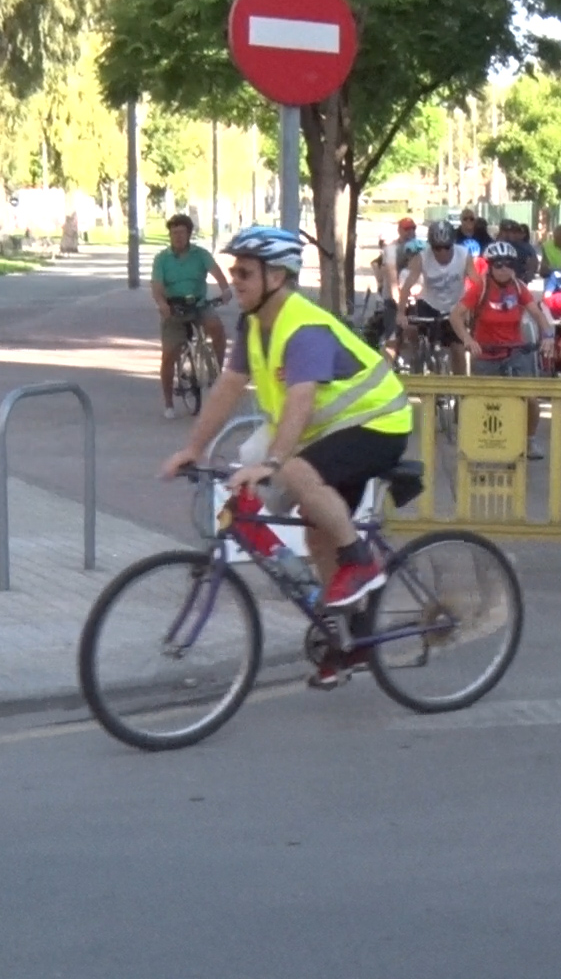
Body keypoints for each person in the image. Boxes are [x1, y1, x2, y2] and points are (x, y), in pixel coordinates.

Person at [159, 227, 411, 688]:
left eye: (244, 272)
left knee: (294, 474)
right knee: (316, 532)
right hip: (332, 429)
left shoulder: (304, 326)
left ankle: (359, 561)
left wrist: (273, 464)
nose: (234, 280)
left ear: (277, 276)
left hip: (379, 422)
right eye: (233, 271)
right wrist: (192, 449)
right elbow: (228, 387)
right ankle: (347, 641)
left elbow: (300, 400)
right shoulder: (253, 324)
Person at [452, 241, 558, 457]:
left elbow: (537, 314)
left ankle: (529, 441)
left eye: (509, 264)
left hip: (515, 350)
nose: (504, 269)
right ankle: (475, 444)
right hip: (486, 352)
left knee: (529, 398)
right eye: (498, 265)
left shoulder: (518, 287)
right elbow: (456, 316)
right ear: (490, 266)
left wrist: (547, 336)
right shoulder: (480, 288)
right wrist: (468, 340)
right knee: (480, 401)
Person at [151, 213, 232, 420]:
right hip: (174, 308)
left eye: (181, 233)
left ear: (189, 234)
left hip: (198, 304)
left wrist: (225, 290)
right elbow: (157, 287)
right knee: (169, 354)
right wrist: (162, 304)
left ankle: (216, 372)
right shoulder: (162, 259)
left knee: (216, 328)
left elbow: (217, 273)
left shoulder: (200, 255)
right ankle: (168, 402)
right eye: (173, 233)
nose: (177, 237)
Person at [396, 220, 474, 375]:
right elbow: (407, 286)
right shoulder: (422, 258)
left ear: (453, 244)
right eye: (437, 248)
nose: (442, 252)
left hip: (454, 307)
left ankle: (461, 388)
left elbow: (476, 283)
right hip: (429, 304)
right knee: (414, 332)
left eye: (447, 247)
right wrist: (400, 313)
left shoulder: (463, 255)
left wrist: (471, 309)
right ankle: (418, 365)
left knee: (458, 349)